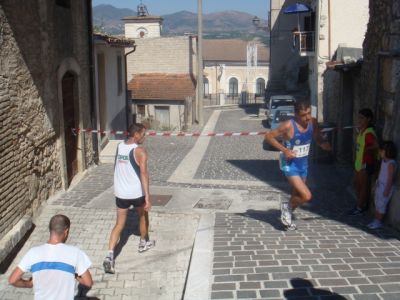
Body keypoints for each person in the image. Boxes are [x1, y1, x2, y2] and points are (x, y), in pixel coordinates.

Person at [264, 100, 331, 230]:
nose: (307, 117)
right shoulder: (288, 126)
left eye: (309, 113)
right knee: (306, 195)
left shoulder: (313, 122)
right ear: (296, 115)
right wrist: (285, 150)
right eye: (303, 115)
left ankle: (287, 215)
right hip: (289, 164)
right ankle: (286, 208)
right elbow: (269, 136)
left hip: (303, 164)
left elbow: (316, 136)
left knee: (297, 195)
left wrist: (322, 143)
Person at [103, 123, 154, 274]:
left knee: (119, 224)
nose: (144, 137)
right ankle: (143, 242)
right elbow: (144, 174)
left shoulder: (119, 146)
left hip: (121, 193)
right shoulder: (140, 151)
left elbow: (116, 167)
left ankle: (109, 256)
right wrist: (147, 197)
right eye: (143, 134)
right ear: (136, 134)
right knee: (143, 216)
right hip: (136, 192)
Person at [8, 214, 92, 300]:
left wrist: (29, 284)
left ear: (50, 230)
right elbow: (88, 282)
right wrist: (75, 276)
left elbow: (12, 280)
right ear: (66, 232)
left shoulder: (33, 253)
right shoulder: (75, 253)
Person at [348, 108, 379, 216]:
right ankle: (361, 204)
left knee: (363, 186)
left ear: (368, 119)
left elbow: (375, 145)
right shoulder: (362, 131)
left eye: (362, 118)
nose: (359, 120)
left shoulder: (369, 133)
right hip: (359, 163)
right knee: (357, 184)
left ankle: (359, 207)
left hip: (365, 163)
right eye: (358, 117)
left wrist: (367, 149)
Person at [367, 141, 397, 229]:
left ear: (387, 151)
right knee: (377, 202)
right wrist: (376, 184)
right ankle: (376, 220)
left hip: (385, 187)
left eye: (381, 151)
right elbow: (381, 173)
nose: (379, 152)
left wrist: (387, 190)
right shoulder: (384, 161)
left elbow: (390, 179)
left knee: (382, 204)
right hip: (380, 185)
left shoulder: (391, 163)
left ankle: (378, 221)